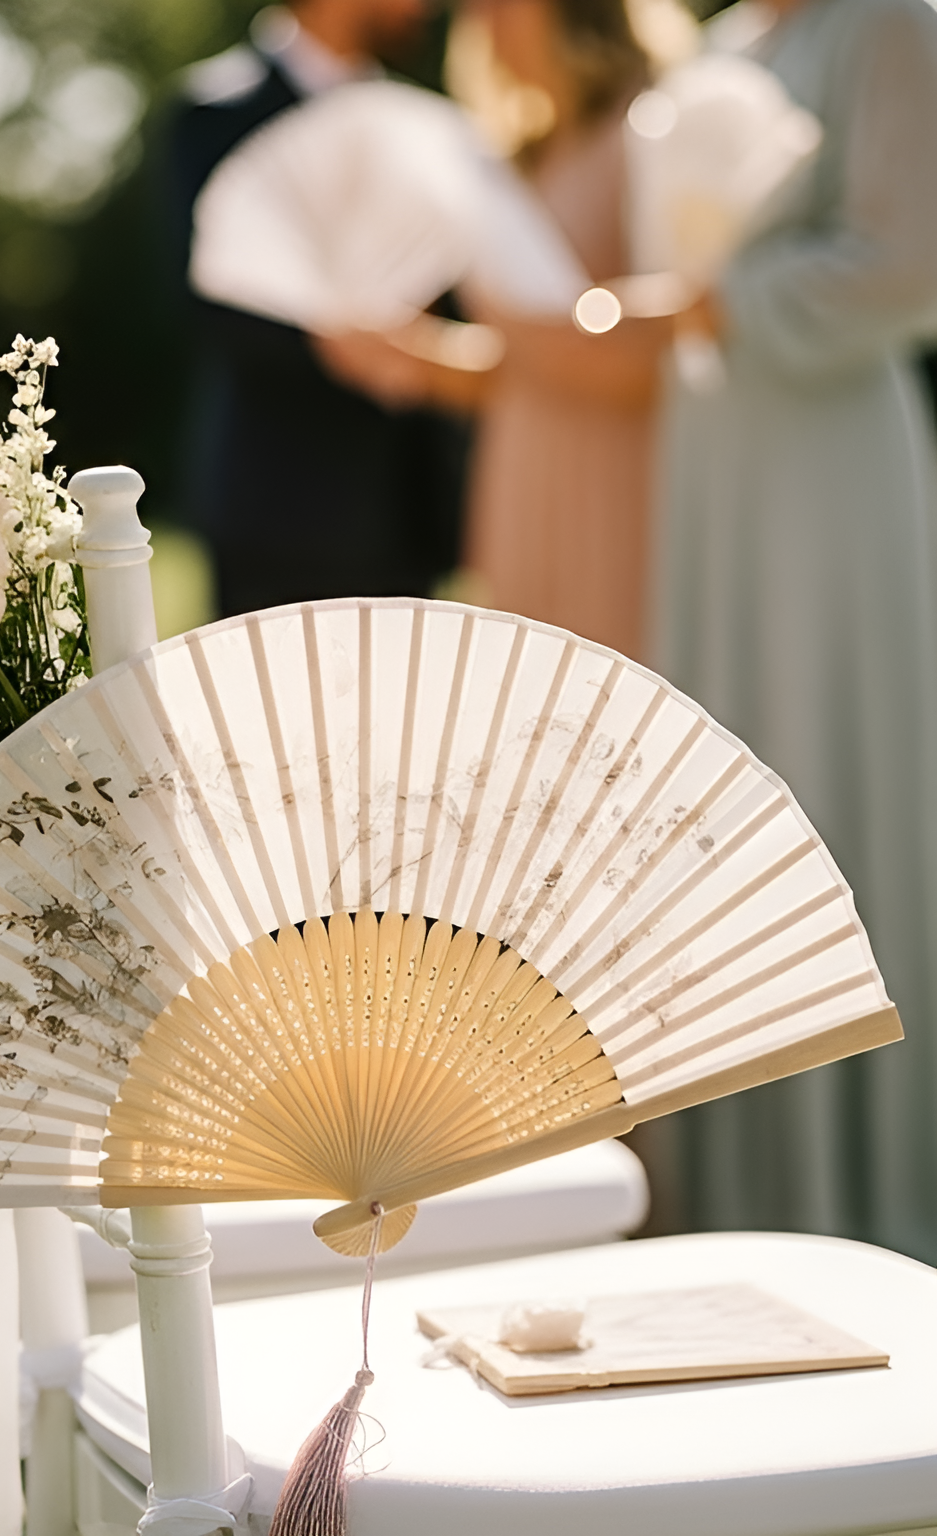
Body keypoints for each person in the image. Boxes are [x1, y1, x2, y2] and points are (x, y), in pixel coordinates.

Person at [646, 0, 937, 1260]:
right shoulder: (717, 48)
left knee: (834, 779)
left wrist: (734, 300)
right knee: (724, 793)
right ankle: (743, 1194)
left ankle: (859, 1200)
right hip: (714, 453)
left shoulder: (886, 24)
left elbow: (910, 259)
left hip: (826, 456)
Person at [316, 0, 680, 658]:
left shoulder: (651, 128)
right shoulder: (523, 157)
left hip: (615, 483)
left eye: (503, 6)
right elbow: (518, 367)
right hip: (521, 474)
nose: (483, 23)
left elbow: (662, 348)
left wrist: (518, 321)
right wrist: (415, 352)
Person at [162, 0, 469, 617]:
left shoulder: (420, 122)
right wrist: (348, 342)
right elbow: (209, 298)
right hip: (275, 501)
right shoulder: (216, 108)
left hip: (406, 509)